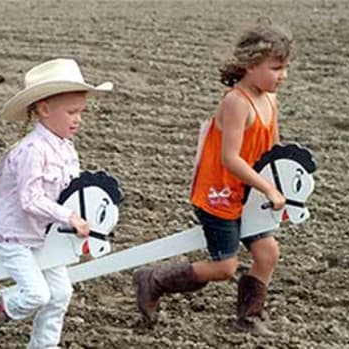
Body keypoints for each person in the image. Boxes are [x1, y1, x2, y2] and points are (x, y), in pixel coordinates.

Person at [133, 21, 294, 336]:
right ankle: (153, 281)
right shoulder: (236, 102)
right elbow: (229, 158)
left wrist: (277, 184)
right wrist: (267, 188)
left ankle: (249, 318)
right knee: (225, 267)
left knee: (267, 253)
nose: (283, 75)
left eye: (285, 68)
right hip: (219, 193)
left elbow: (272, 149)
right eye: (276, 67)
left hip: (249, 193)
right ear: (250, 65)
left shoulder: (270, 100)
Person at [0, 58, 112, 349]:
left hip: (45, 235)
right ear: (44, 110)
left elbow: (71, 190)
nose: (78, 119)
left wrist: (79, 220)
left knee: (60, 294)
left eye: (81, 112)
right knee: (36, 295)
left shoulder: (67, 148)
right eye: (71, 112)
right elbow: (30, 199)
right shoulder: (32, 150)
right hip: (17, 235)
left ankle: (44, 346)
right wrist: (68, 217)